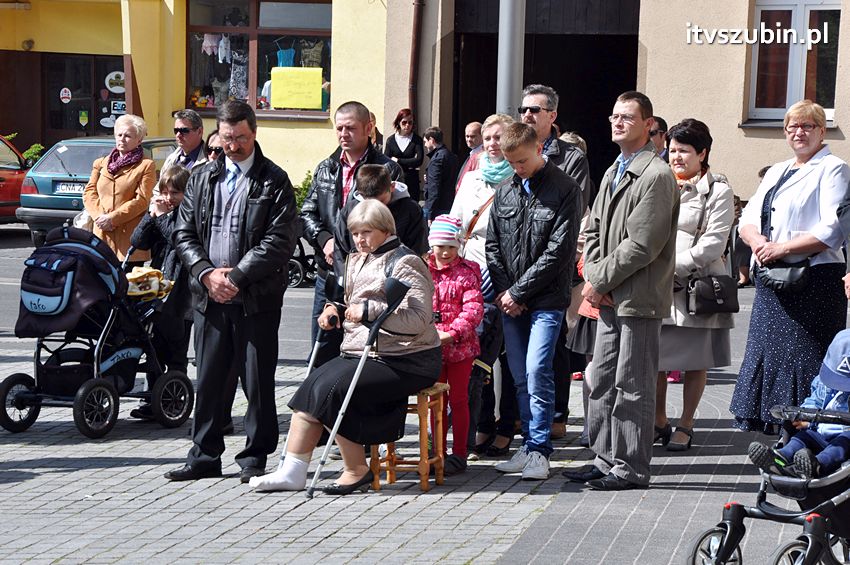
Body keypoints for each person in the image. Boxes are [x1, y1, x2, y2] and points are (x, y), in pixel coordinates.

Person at [249, 200, 441, 494]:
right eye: (355, 233)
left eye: (367, 232)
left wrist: (367, 312)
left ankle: (356, 469)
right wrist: (334, 308)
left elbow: (418, 318)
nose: (359, 239)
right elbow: (349, 300)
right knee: (311, 385)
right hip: (361, 351)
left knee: (333, 390)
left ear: (386, 229)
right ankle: (292, 471)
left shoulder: (405, 262)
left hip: (407, 358)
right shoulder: (358, 258)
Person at [165, 100, 298, 483]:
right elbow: (183, 233)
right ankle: (204, 455)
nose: (234, 146)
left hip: (256, 298)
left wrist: (236, 277)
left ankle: (255, 456)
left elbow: (279, 241)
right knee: (208, 379)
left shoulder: (274, 180)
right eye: (227, 138)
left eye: (240, 138)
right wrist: (207, 274)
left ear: (254, 133)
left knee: (257, 381)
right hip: (209, 296)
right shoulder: (202, 177)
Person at [565, 91, 678, 491]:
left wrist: (598, 283)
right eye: (614, 116)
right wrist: (597, 278)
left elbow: (642, 244)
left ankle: (630, 467)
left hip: (637, 299)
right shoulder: (615, 168)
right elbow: (594, 230)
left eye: (628, 117)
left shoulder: (656, 175)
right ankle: (604, 458)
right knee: (599, 380)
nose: (618, 122)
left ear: (649, 125)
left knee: (632, 384)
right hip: (611, 294)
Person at [730, 100, 849, 433]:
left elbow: (832, 229)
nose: (799, 132)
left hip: (813, 281)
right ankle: (779, 436)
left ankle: (806, 436)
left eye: (807, 126)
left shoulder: (834, 168)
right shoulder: (777, 171)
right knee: (770, 355)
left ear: (822, 131)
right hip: (773, 280)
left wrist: (781, 247)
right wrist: (759, 243)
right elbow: (748, 217)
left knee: (804, 357)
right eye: (792, 126)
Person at [486, 122, 582, 480]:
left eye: (522, 161)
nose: (517, 169)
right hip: (512, 300)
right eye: (511, 163)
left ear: (539, 149)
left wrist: (518, 292)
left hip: (547, 299)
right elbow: (493, 246)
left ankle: (540, 449)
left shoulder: (565, 188)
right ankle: (527, 445)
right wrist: (506, 292)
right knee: (519, 376)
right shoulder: (505, 190)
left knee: (538, 369)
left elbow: (560, 250)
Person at [653, 119, 735, 452]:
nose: (676, 157)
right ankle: (658, 420)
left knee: (695, 360)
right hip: (657, 286)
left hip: (696, 288)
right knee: (656, 357)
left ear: (702, 153)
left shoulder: (718, 190)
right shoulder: (658, 182)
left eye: (684, 151)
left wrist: (674, 268)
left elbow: (714, 243)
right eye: (672, 150)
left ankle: (686, 424)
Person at [301, 101, 402, 367]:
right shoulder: (326, 167)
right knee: (322, 350)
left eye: (351, 128)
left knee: (363, 354)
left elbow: (394, 222)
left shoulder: (387, 169)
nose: (344, 134)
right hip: (330, 273)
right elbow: (307, 212)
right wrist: (325, 240)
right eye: (339, 128)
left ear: (368, 128)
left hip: (371, 276)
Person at [519, 84, 594, 431]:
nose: (527, 115)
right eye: (523, 109)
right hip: (517, 260)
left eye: (535, 110)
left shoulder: (570, 157)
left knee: (554, 341)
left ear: (552, 115)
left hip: (554, 259)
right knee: (518, 342)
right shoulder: (510, 149)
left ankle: (557, 415)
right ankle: (520, 416)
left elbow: (570, 209)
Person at [451, 113, 518, 458]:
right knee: (478, 353)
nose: (492, 144)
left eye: (498, 138)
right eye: (488, 138)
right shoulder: (472, 177)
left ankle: (507, 427)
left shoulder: (520, 176)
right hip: (474, 269)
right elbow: (456, 223)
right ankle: (482, 425)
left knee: (509, 354)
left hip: (509, 272)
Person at [128, 165, 193, 420]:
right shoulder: (163, 212)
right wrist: (150, 216)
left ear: (187, 193)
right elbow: (137, 241)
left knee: (175, 351)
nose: (168, 198)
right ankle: (151, 400)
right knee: (154, 347)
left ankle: (173, 403)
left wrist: (162, 217)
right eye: (165, 192)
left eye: (175, 193)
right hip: (158, 290)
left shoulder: (190, 213)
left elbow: (180, 241)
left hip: (181, 294)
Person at [749, 329, 850, 480]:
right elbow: (815, 400)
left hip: (844, 436)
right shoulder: (824, 382)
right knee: (802, 437)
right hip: (819, 431)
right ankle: (780, 458)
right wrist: (806, 416)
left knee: (843, 443)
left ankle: (817, 465)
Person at [427, 215, 484, 475]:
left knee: (459, 400)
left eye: (451, 246)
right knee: (435, 400)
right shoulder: (423, 270)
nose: (446, 252)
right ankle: (437, 451)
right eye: (441, 246)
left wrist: (453, 333)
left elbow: (473, 309)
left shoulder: (468, 272)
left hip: (461, 347)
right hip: (431, 347)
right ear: (432, 245)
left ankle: (459, 453)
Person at [83, 113, 155, 265]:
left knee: (128, 280)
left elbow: (142, 200)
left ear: (139, 140)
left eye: (128, 136)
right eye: (119, 135)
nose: (122, 139)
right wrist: (99, 217)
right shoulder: (101, 163)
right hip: (101, 236)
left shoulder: (146, 165)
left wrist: (113, 218)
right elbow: (89, 192)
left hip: (128, 242)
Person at [332, 164, 427, 271]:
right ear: (360, 194)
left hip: (396, 273)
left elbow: (417, 249)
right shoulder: (350, 209)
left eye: (381, 201)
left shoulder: (410, 210)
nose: (375, 207)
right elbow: (340, 249)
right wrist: (345, 276)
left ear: (392, 187)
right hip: (357, 274)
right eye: (368, 201)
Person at [153, 109, 209, 197]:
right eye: (176, 130)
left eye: (184, 130)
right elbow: (158, 190)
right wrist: (157, 203)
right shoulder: (172, 159)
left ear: (199, 131)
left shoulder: (209, 161)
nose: (178, 135)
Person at [384, 108, 424, 202]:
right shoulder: (391, 140)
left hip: (411, 180)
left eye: (410, 123)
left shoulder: (416, 140)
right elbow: (386, 161)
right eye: (404, 122)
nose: (407, 125)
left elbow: (419, 160)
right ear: (398, 122)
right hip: (395, 181)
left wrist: (398, 161)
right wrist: (410, 162)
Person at [422, 126, 459, 222]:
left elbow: (434, 188)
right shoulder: (451, 156)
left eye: (425, 141)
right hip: (449, 204)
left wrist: (430, 214)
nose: (425, 145)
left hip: (437, 208)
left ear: (431, 140)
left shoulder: (436, 159)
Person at [455, 121, 483, 192]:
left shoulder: (483, 156)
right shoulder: (472, 154)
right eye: (467, 136)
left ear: (482, 136)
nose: (469, 139)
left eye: (472, 136)